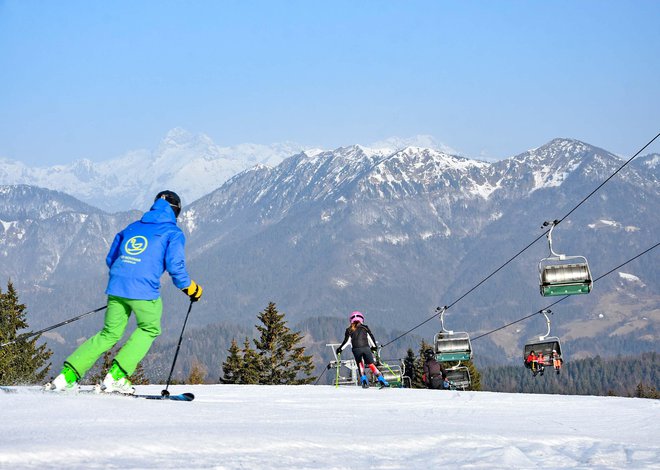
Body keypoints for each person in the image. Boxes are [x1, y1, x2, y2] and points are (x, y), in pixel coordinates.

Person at [44, 190, 203, 394]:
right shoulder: (173, 233)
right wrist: (191, 289)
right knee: (149, 328)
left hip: (117, 287)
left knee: (109, 333)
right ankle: (116, 377)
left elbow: (112, 258)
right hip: (144, 291)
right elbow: (176, 268)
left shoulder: (132, 227)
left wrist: (124, 281)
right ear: (176, 211)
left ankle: (67, 376)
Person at [336, 311, 389, 388]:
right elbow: (371, 339)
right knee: (371, 364)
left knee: (360, 364)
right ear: (361, 319)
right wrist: (374, 348)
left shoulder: (349, 330)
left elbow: (346, 342)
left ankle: (364, 381)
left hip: (356, 350)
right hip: (366, 348)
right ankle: (382, 380)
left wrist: (340, 349)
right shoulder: (365, 328)